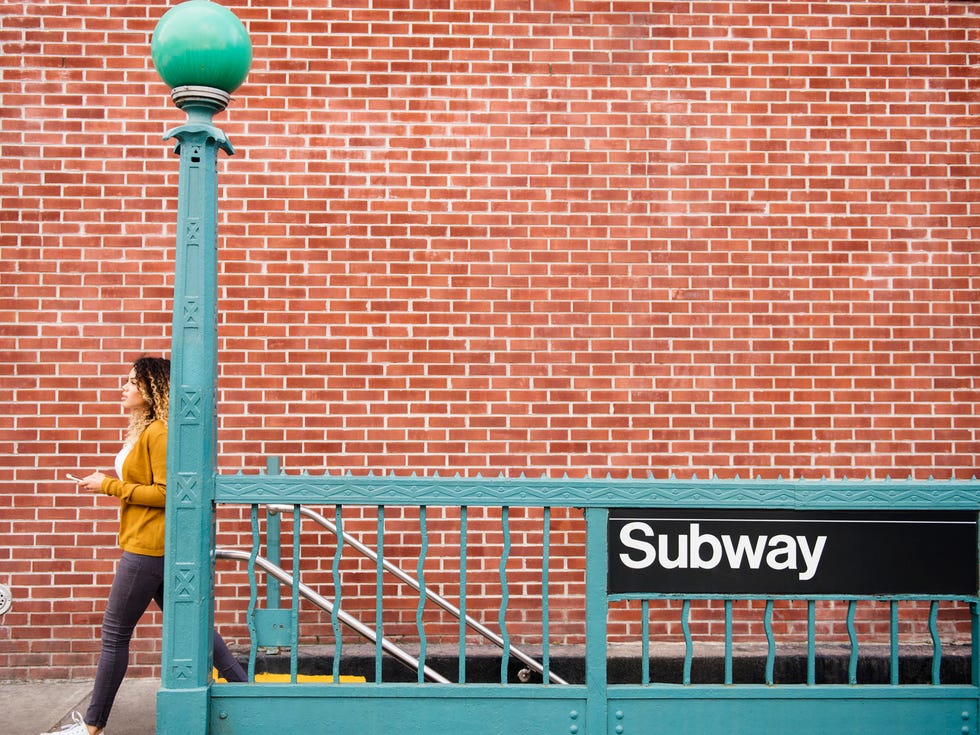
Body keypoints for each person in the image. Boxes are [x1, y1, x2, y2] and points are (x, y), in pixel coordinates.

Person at [45, 357, 246, 735]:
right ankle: (249, 695)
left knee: (115, 633)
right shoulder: (149, 429)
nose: (123, 387)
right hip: (151, 546)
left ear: (152, 390)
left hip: (147, 549)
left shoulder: (158, 432)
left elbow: (167, 493)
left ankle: (91, 727)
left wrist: (107, 485)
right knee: (199, 630)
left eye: (132, 382)